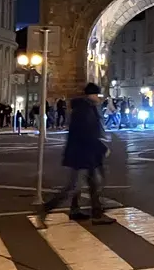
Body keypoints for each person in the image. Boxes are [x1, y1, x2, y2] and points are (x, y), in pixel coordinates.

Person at [34, 84, 114, 226]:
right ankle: (45, 210)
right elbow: (87, 133)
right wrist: (102, 147)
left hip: (86, 153)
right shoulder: (85, 110)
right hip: (82, 154)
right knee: (73, 187)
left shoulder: (85, 108)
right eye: (97, 95)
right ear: (91, 95)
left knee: (93, 184)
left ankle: (88, 212)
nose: (98, 98)